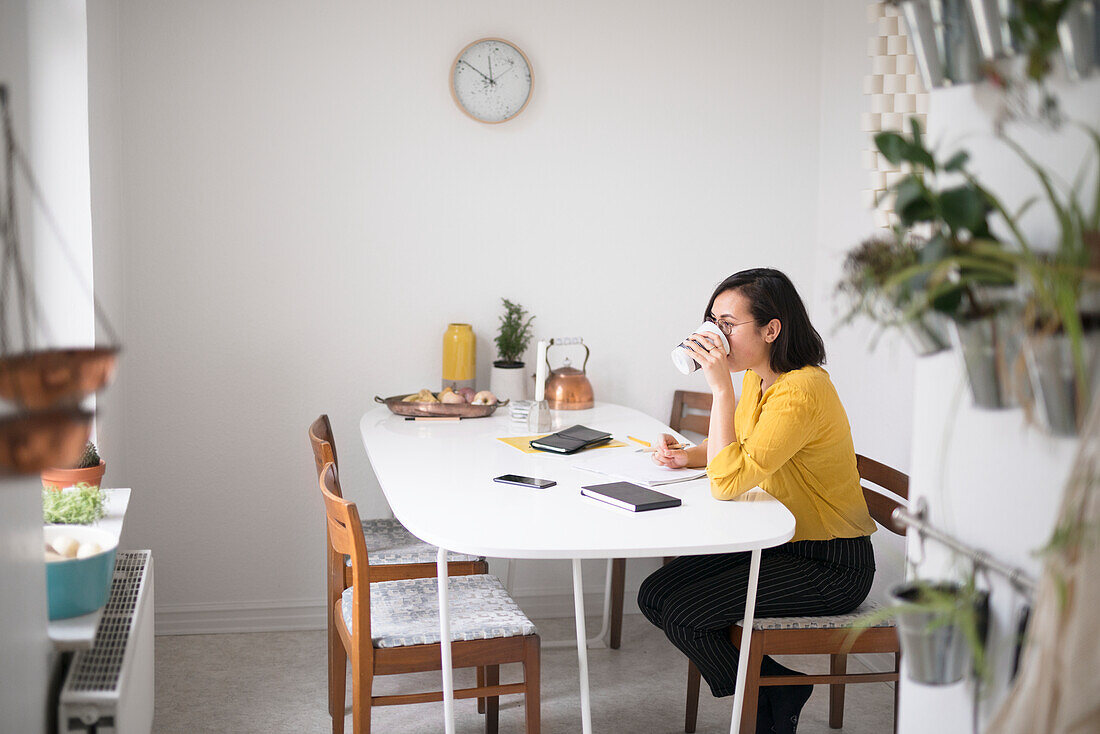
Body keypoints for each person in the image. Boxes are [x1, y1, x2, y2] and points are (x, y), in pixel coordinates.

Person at [637, 268, 877, 734]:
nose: (716, 336)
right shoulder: (758, 378)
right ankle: (778, 690)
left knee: (686, 615)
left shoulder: (802, 390)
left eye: (728, 324)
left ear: (772, 329)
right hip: (778, 542)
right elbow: (742, 451)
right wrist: (688, 456)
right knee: (655, 595)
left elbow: (728, 482)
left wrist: (719, 389)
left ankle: (772, 698)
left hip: (831, 563)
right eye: (713, 321)